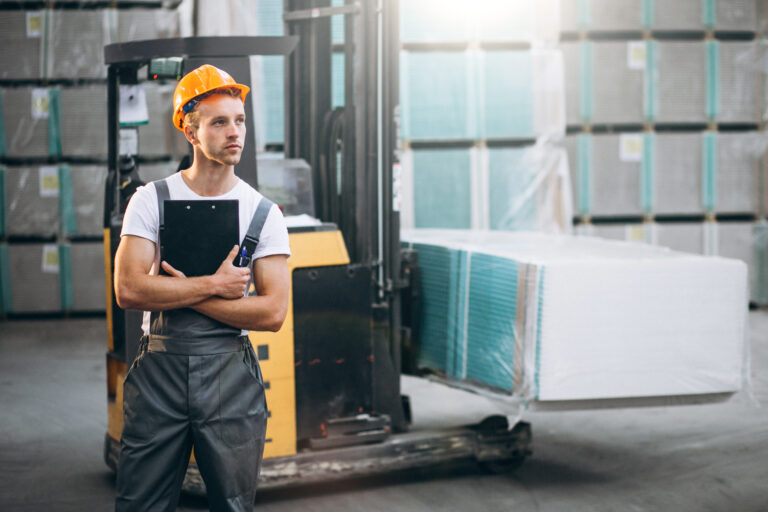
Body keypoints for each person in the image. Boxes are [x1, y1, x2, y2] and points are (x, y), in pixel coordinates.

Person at [113, 64, 290, 511]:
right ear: (191, 132)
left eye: (240, 120)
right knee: (141, 504)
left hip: (230, 375)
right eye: (219, 122)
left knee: (233, 504)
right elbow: (130, 290)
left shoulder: (263, 212)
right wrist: (216, 286)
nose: (235, 132)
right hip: (160, 374)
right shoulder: (150, 200)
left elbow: (272, 314)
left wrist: (183, 293)